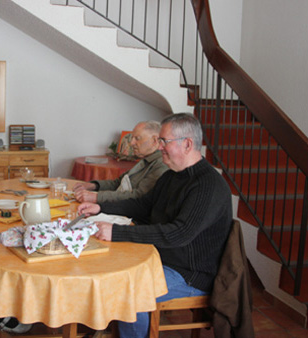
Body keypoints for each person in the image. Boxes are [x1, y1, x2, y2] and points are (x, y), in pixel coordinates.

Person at [77, 113, 233, 338]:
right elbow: (143, 205)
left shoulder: (208, 185)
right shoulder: (172, 176)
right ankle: (106, 331)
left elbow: (179, 234)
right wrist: (100, 207)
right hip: (161, 257)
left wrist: (117, 232)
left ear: (187, 144)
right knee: (106, 266)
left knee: (130, 289)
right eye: (160, 141)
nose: (159, 147)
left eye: (164, 141)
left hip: (190, 273)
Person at [73, 121, 170, 203]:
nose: (131, 143)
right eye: (132, 138)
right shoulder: (145, 159)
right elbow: (118, 183)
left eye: (137, 138)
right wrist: (93, 186)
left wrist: (97, 197)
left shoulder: (161, 164)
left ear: (154, 141)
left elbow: (139, 196)